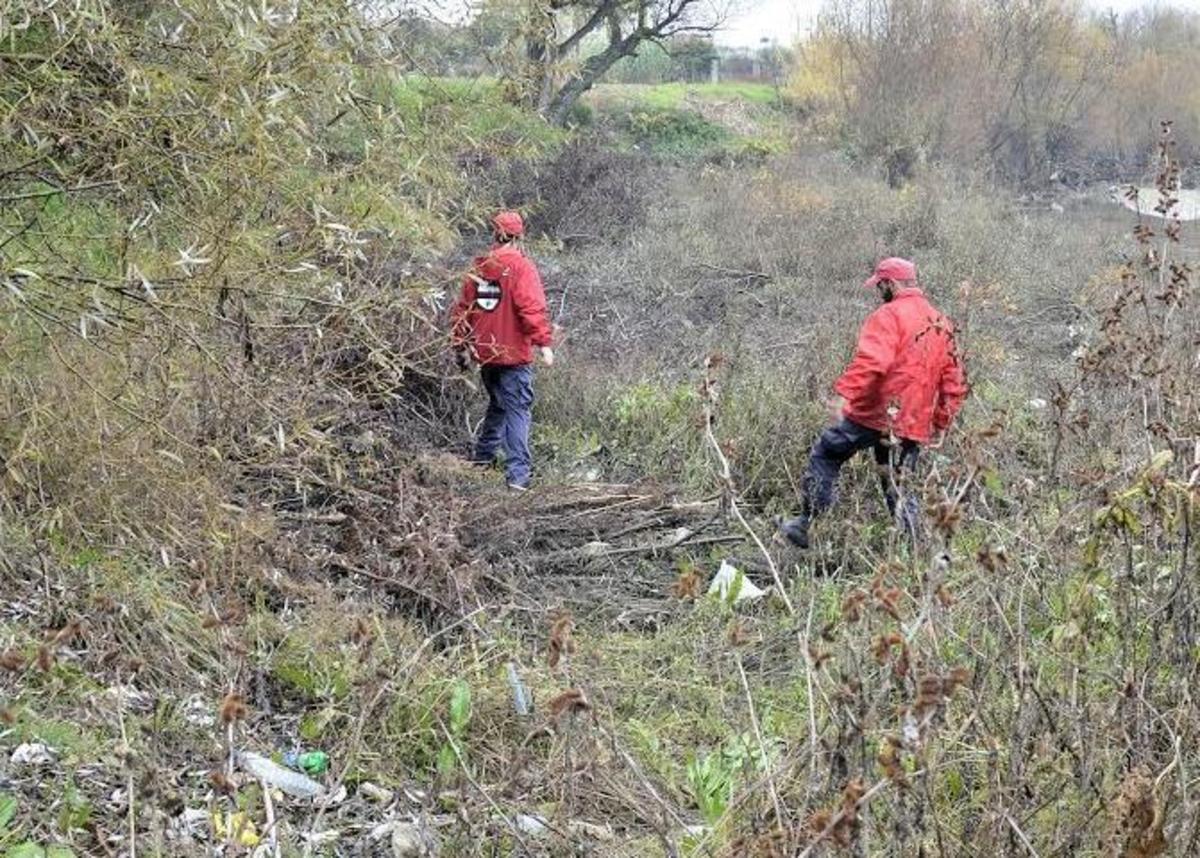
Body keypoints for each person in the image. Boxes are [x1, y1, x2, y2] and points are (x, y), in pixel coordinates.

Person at [778, 257, 967, 548]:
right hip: (912, 422)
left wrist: (844, 395)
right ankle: (914, 550)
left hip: (873, 413)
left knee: (827, 452)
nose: (880, 292)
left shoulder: (888, 315)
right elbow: (953, 381)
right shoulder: (941, 322)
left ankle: (806, 525)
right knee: (899, 484)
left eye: (880, 286)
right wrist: (942, 421)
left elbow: (873, 361)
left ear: (890, 283)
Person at [451, 211, 554, 491]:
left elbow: (462, 310)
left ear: (495, 234)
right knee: (518, 410)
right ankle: (518, 478)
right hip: (512, 356)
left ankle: (482, 460)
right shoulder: (522, 267)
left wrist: (460, 345)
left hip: (486, 354)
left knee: (499, 404)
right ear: (519, 236)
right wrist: (543, 343)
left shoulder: (480, 266)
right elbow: (530, 307)